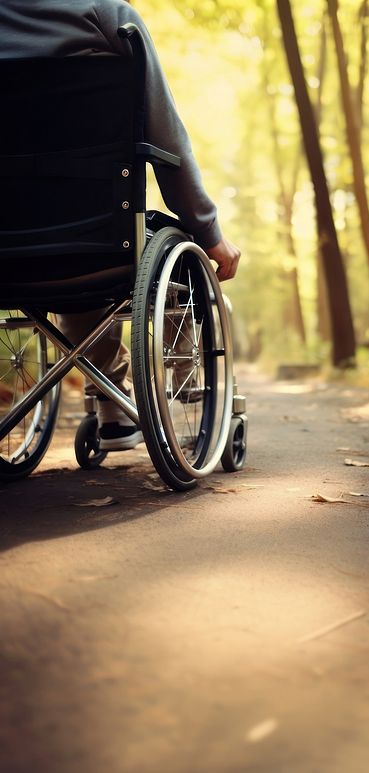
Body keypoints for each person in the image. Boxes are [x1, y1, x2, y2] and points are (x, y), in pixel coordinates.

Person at [0, 0, 241, 449]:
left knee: (62, 243)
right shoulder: (105, 17)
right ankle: (185, 374)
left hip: (7, 252)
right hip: (95, 241)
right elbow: (167, 142)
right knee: (133, 241)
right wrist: (209, 232)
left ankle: (112, 406)